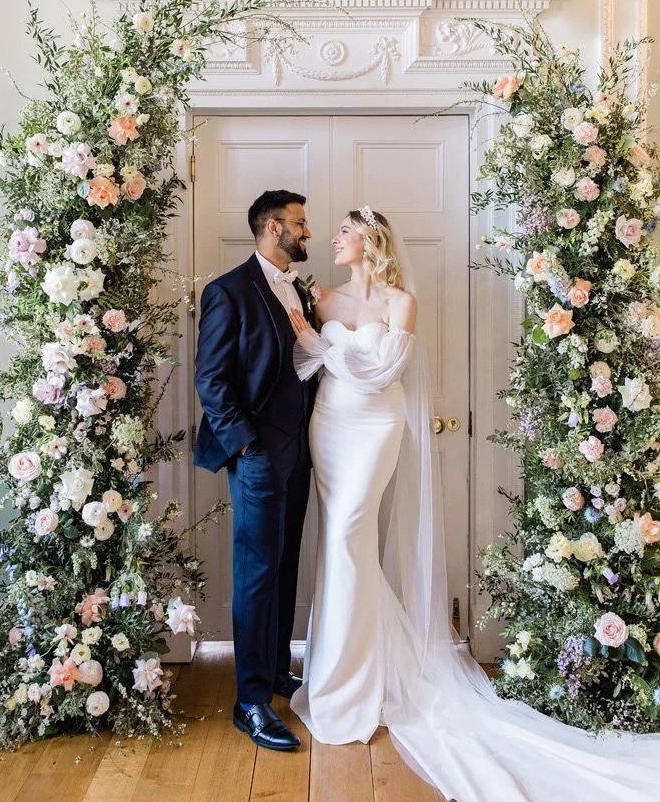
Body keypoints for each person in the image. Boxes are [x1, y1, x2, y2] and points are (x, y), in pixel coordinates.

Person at [288, 206, 660, 802]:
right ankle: (343, 674)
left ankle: (349, 683)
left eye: (345, 232)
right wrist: (309, 335)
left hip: (376, 430)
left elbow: (384, 373)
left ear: (370, 240)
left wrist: (315, 342)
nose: (334, 238)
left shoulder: (399, 302)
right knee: (339, 544)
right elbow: (305, 366)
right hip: (329, 427)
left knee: (347, 539)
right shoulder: (323, 300)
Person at [194, 189, 315, 751]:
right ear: (271, 228)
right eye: (299, 223)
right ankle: (249, 703)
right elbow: (211, 380)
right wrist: (245, 445)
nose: (306, 232)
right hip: (258, 454)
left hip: (300, 453)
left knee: (285, 565)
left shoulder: (299, 290)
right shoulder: (228, 291)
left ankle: (271, 670)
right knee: (256, 574)